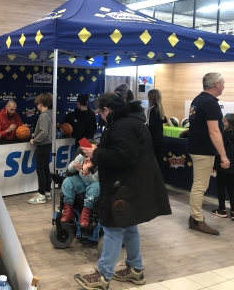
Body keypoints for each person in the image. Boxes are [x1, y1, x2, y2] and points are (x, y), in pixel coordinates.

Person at [74, 93, 171, 290]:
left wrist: (97, 153)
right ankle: (135, 269)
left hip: (127, 186)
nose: (100, 117)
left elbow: (123, 156)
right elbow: (123, 150)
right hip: (133, 184)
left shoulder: (124, 125)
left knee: (113, 228)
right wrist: (97, 154)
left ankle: (103, 275)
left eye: (100, 113)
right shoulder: (128, 122)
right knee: (129, 226)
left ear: (107, 110)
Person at [187, 72, 229, 235]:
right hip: (203, 150)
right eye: (223, 83)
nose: (224, 86)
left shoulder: (198, 100)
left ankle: (194, 217)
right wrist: (223, 155)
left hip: (196, 148)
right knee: (200, 185)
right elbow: (214, 131)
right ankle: (196, 219)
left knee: (198, 184)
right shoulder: (210, 103)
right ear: (217, 84)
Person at [60, 154, 100, 227]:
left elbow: (93, 181)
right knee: (68, 181)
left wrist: (85, 172)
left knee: (95, 186)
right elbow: (69, 171)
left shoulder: (102, 160)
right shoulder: (81, 156)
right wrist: (73, 166)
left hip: (94, 183)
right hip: (82, 182)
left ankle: (86, 212)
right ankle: (68, 209)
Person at [28, 93, 53, 205]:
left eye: (37, 104)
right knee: (46, 169)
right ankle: (47, 191)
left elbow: (44, 132)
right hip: (48, 144)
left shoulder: (43, 115)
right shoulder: (51, 113)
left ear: (41, 104)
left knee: (40, 170)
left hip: (42, 145)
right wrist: (36, 133)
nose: (37, 107)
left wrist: (35, 140)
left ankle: (41, 194)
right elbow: (45, 130)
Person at [211, 113, 234, 219]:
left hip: (223, 165)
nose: (223, 123)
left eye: (225, 121)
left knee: (221, 187)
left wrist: (215, 164)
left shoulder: (224, 134)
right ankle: (233, 211)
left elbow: (220, 149)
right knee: (232, 188)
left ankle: (222, 209)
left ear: (230, 123)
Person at [146, 89, 168, 162]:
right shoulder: (160, 109)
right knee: (158, 159)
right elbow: (165, 120)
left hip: (153, 139)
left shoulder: (151, 109)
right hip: (160, 138)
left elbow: (149, 125)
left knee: (152, 160)